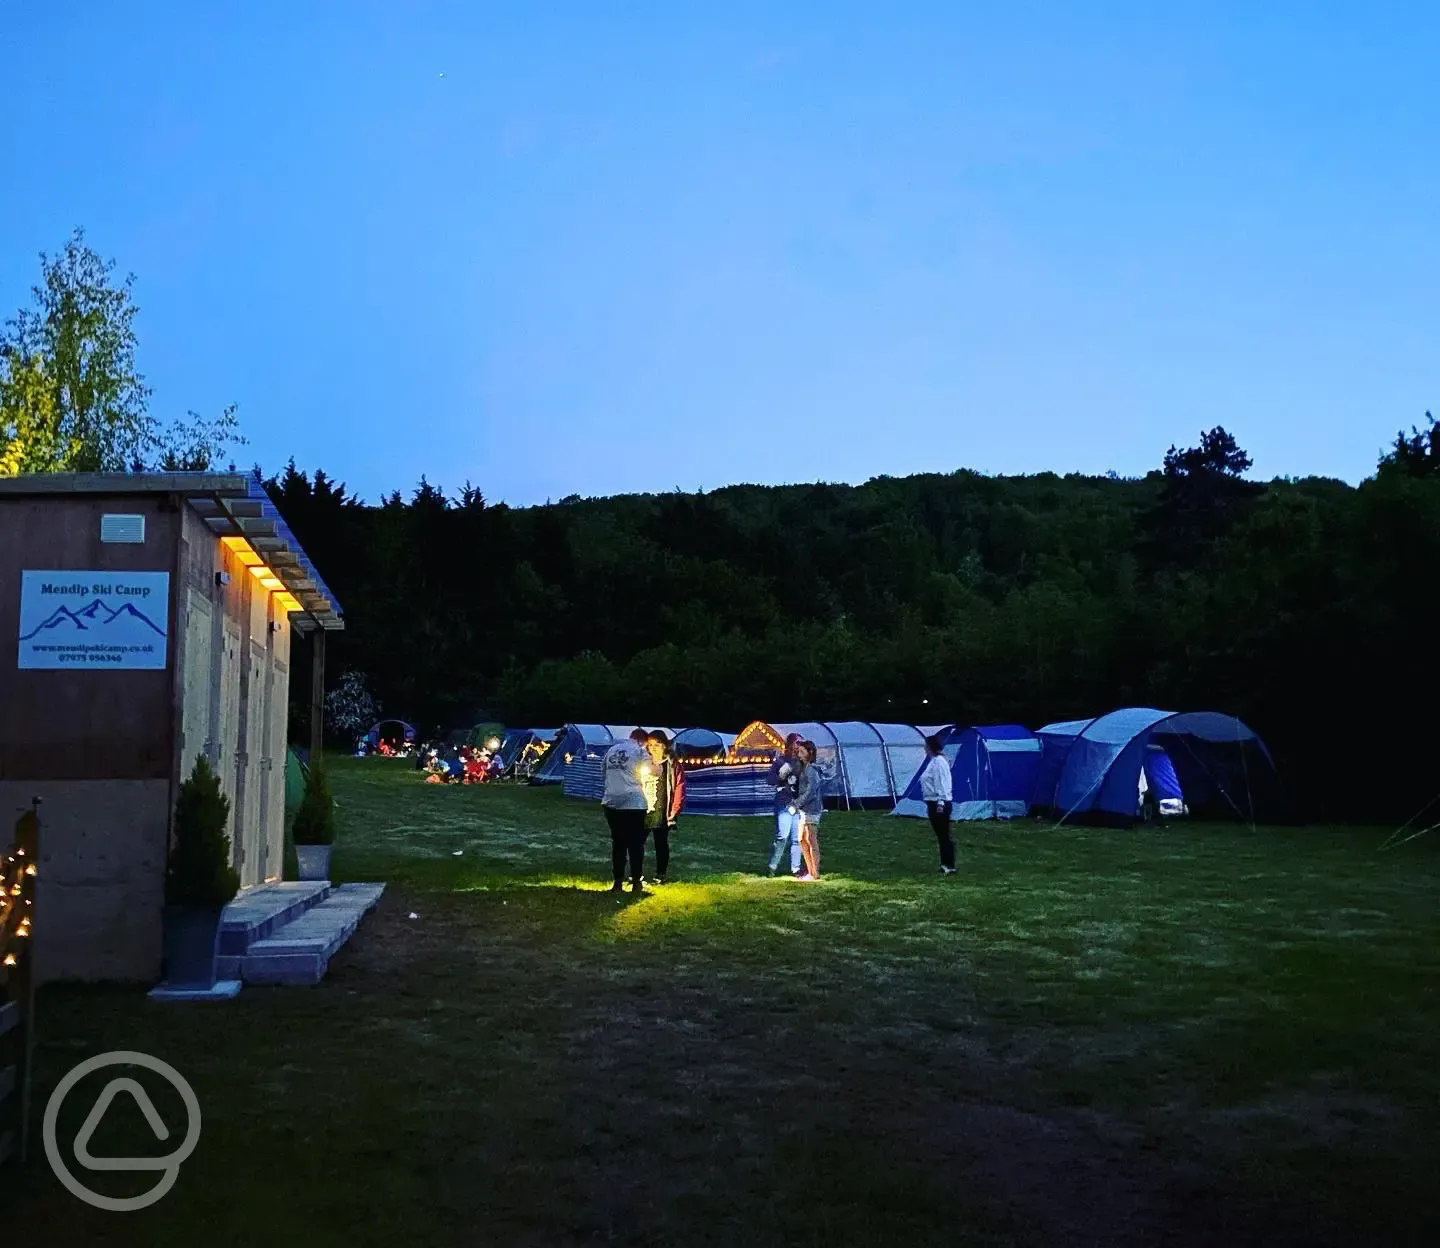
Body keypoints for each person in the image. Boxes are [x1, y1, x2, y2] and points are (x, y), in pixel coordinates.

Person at [602, 728, 652, 894]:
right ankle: (636, 882)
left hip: (611, 802)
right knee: (636, 844)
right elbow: (651, 771)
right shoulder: (640, 751)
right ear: (642, 741)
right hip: (633, 802)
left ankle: (617, 882)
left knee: (618, 843)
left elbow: (604, 773)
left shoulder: (611, 750)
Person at [643, 730, 685, 883]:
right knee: (637, 841)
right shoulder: (644, 762)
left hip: (663, 808)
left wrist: (675, 809)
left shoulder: (672, 764)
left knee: (660, 842)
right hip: (644, 808)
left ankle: (661, 874)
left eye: (657, 744)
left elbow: (679, 786)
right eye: (651, 745)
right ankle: (635, 873)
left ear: (665, 745)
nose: (653, 748)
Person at [766, 733, 805, 876]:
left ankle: (796, 869)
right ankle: (773, 866)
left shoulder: (802, 762)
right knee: (782, 836)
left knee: (797, 838)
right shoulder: (780, 761)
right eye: (797, 743)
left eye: (801, 743)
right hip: (783, 804)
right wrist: (781, 776)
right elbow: (769, 780)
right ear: (789, 744)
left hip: (798, 804)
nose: (799, 746)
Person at [919, 735, 957, 874]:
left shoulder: (939, 762)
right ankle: (944, 863)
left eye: (926, 745)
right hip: (932, 802)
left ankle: (950, 864)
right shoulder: (933, 761)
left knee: (944, 834)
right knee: (941, 835)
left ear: (931, 746)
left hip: (939, 803)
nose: (924, 748)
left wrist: (941, 803)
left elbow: (942, 783)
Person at [795, 740, 826, 880]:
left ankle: (815, 873)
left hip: (812, 809)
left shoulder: (811, 770)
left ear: (810, 753)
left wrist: (797, 803)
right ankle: (810, 871)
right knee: (802, 839)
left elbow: (811, 791)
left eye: (802, 752)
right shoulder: (804, 769)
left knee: (811, 839)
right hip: (804, 809)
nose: (799, 754)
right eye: (798, 751)